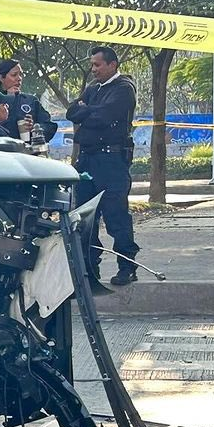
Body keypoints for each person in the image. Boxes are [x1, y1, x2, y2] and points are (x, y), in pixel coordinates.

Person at [66, 46, 140, 288]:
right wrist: (86, 111)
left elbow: (104, 118)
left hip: (111, 163)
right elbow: (72, 113)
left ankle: (127, 266)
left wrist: (86, 111)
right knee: (85, 216)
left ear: (112, 65)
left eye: (97, 65)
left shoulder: (123, 88)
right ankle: (89, 269)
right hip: (87, 161)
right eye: (92, 65)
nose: (93, 70)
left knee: (115, 215)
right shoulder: (93, 90)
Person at [0, 59, 59, 146]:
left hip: (28, 153)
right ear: (2, 78)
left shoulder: (30, 100)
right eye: (14, 75)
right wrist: (9, 98)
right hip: (1, 153)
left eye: (20, 74)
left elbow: (49, 126)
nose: (19, 78)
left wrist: (34, 128)